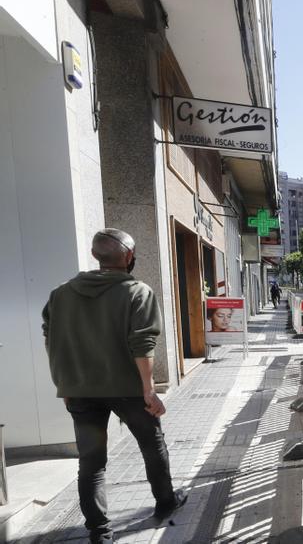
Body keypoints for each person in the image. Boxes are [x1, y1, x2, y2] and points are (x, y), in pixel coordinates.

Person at [42, 228, 187, 543]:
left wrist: (64, 383)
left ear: (97, 256)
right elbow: (142, 343)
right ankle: (165, 502)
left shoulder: (61, 293)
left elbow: (50, 336)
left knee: (91, 463)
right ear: (130, 257)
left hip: (81, 390)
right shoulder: (137, 292)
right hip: (129, 389)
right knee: (151, 444)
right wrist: (149, 389)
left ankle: (99, 533)